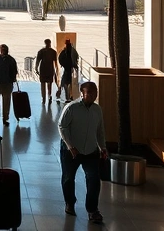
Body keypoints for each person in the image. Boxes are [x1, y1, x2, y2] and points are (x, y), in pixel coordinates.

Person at [58, 81, 108, 224]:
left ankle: (92, 210)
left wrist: (102, 148)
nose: (93, 95)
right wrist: (70, 146)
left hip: (90, 150)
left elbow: (100, 131)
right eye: (89, 92)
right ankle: (70, 202)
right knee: (68, 178)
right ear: (82, 93)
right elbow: (62, 126)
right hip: (71, 150)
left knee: (93, 179)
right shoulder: (71, 108)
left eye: (95, 92)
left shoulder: (97, 110)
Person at [35, 39, 59, 106]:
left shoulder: (41, 51)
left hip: (43, 69)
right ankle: (49, 96)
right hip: (50, 69)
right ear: (50, 43)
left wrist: (36, 68)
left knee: (43, 84)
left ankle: (43, 98)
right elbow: (55, 62)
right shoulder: (53, 52)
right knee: (49, 84)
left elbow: (38, 60)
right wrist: (56, 69)